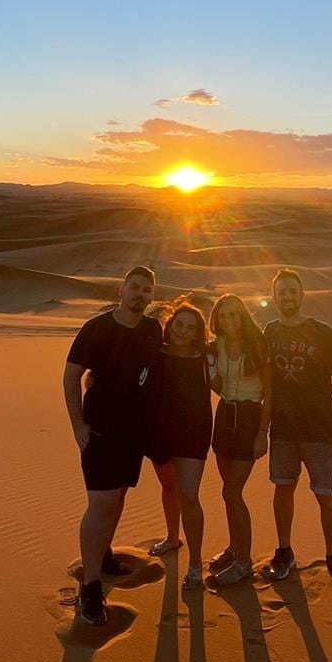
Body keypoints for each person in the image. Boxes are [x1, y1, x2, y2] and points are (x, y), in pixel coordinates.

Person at [63, 265, 162, 625]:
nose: (139, 294)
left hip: (133, 436)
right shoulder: (98, 328)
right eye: (134, 287)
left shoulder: (153, 330)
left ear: (151, 296)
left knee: (117, 498)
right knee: (101, 504)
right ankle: (89, 587)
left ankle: (102, 556)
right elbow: (71, 375)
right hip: (100, 434)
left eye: (146, 290)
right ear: (121, 291)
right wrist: (78, 426)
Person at [262, 268, 332, 589]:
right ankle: (284, 551)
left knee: (327, 496)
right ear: (274, 298)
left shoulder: (321, 331)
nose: (287, 297)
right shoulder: (268, 333)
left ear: (301, 296)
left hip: (322, 430)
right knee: (283, 488)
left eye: (292, 291)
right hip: (284, 430)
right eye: (281, 292)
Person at [146, 301, 215, 589]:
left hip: (193, 433)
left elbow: (228, 381)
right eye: (179, 325)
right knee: (169, 487)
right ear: (170, 325)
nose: (183, 331)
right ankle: (173, 539)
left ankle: (196, 564)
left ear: (198, 332)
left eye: (190, 327)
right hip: (159, 432)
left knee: (189, 495)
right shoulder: (154, 355)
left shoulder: (205, 359)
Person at [205, 293, 268, 586]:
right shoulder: (214, 347)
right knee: (227, 492)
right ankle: (234, 548)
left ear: (243, 315)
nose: (229, 321)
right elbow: (218, 386)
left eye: (234, 314)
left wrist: (261, 432)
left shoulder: (258, 344)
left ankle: (244, 562)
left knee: (233, 492)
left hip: (248, 417)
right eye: (224, 315)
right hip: (224, 417)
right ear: (216, 319)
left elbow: (271, 393)